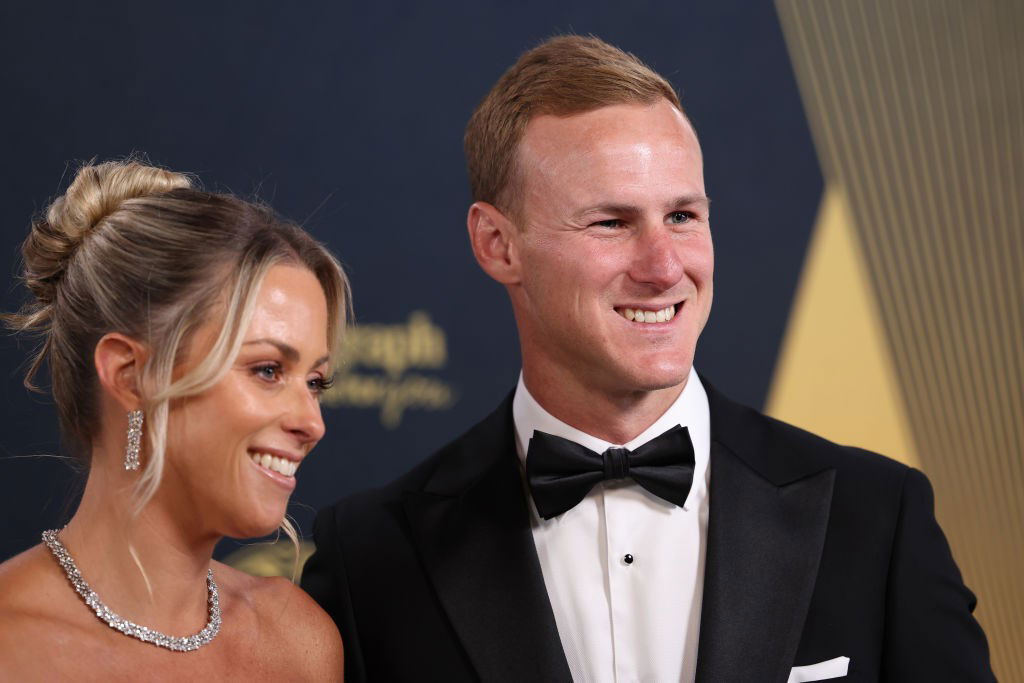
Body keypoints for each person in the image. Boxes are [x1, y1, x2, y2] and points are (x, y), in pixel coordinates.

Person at [302, 36, 995, 682]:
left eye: (684, 216)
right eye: (611, 222)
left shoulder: (877, 518)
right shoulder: (371, 557)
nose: (665, 267)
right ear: (497, 244)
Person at [0, 159, 347, 679]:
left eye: (315, 383)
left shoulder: (300, 642)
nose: (311, 424)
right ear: (131, 374)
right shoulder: (12, 642)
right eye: (268, 369)